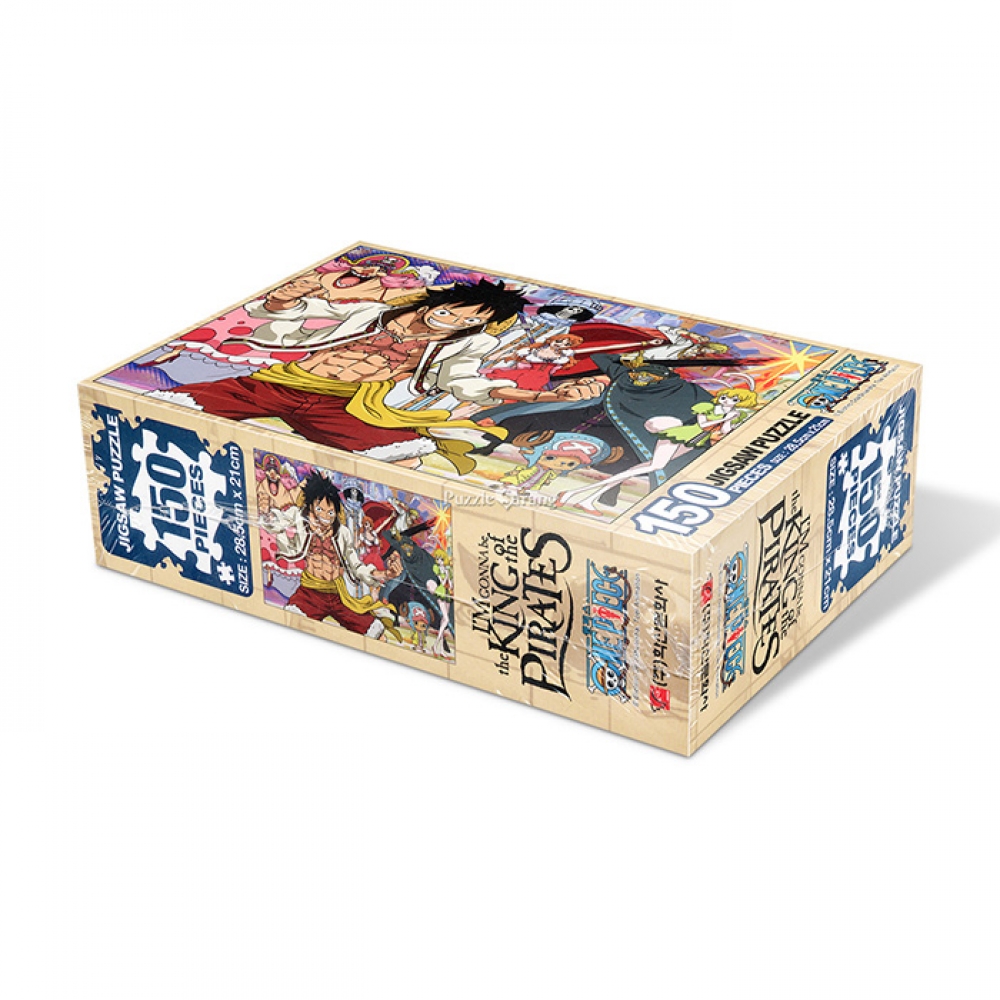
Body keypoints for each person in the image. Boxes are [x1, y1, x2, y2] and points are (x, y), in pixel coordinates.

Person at [150, 280, 605, 472]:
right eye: (451, 309)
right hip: (278, 383)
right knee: (169, 411)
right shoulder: (372, 312)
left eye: (467, 320)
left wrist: (530, 396)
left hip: (346, 403)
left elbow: (461, 380)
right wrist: (285, 302)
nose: (452, 320)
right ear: (437, 301)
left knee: (399, 459)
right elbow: (308, 311)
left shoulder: (460, 345)